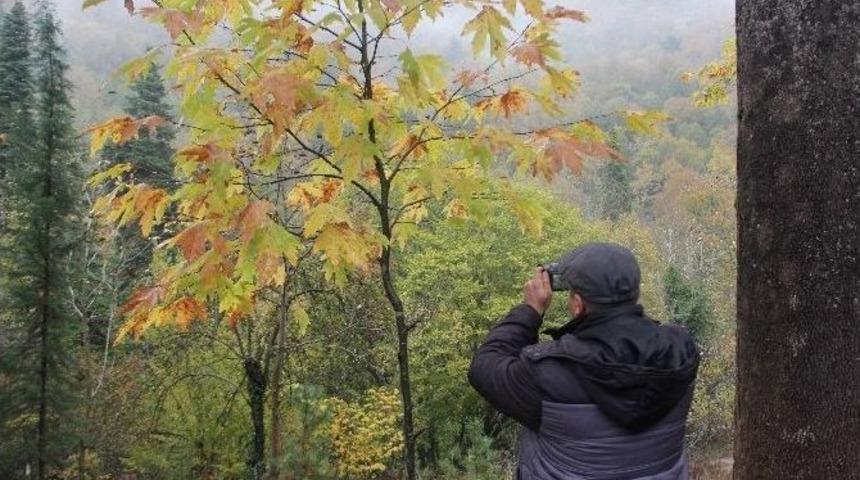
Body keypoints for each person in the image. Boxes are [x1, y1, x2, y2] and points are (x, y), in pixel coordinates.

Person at [468, 242, 700, 480]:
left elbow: (485, 366)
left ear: (577, 305)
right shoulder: (680, 351)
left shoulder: (549, 373)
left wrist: (530, 310)